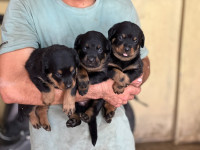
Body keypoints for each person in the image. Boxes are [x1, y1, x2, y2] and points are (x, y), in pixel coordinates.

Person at [0, 0, 150, 149]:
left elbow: (142, 62)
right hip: (55, 141)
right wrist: (101, 90)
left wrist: (131, 82)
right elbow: (10, 88)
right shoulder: (26, 4)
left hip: (116, 139)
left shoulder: (121, 3)